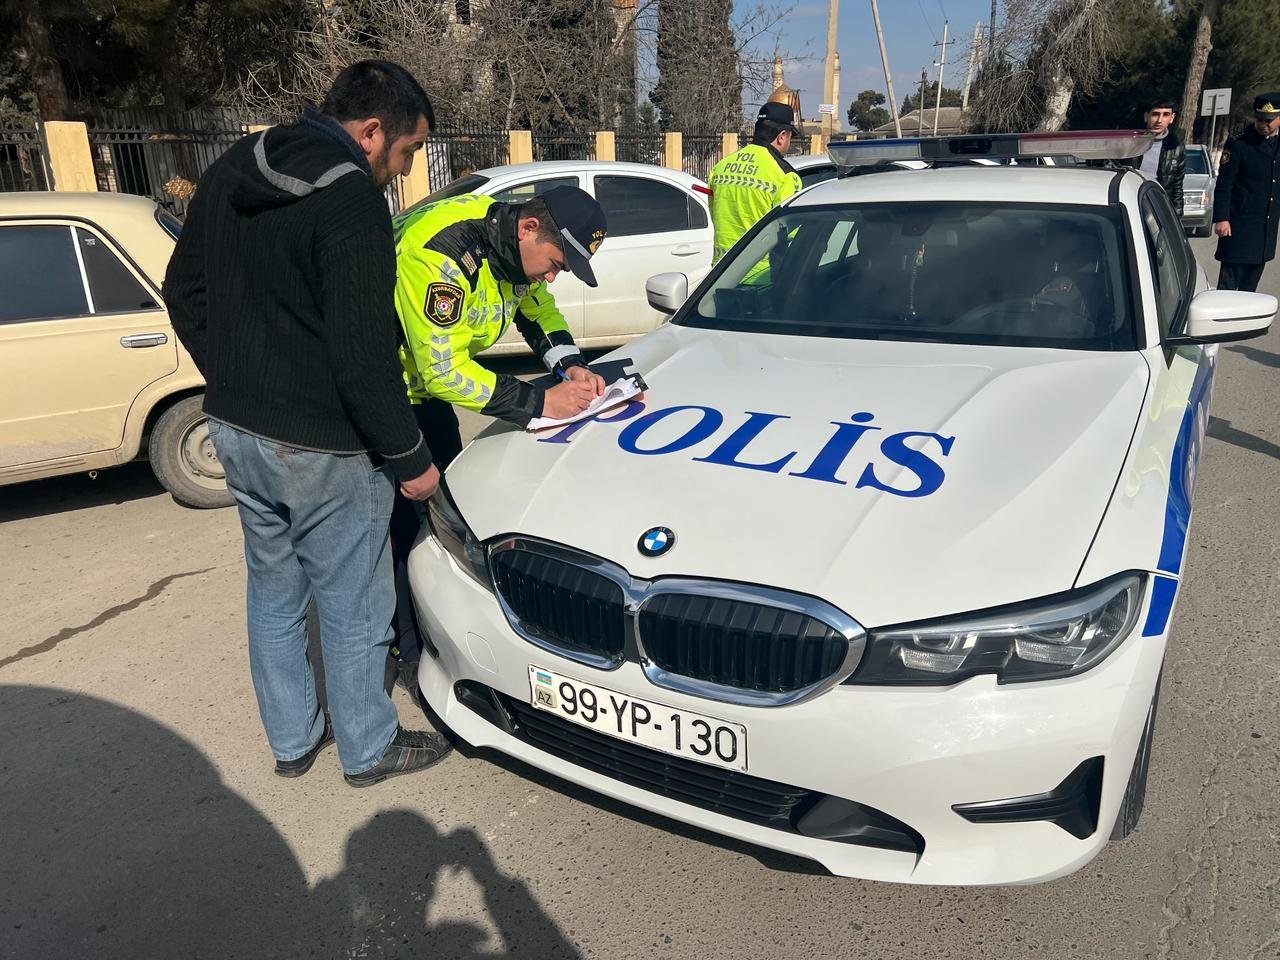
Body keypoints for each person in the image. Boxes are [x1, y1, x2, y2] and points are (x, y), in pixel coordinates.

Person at [163, 60, 453, 788]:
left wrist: (234, 378)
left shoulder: (234, 164)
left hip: (235, 425)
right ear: (373, 130)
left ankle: (292, 740)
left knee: (273, 590)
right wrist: (411, 456)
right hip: (324, 445)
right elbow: (363, 359)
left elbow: (182, 288)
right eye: (409, 151)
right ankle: (367, 747)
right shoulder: (352, 198)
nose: (406, 168)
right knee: (355, 602)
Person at [386, 186, 608, 679]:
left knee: (448, 517)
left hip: (426, 394)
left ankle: (438, 620)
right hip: (386, 398)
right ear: (529, 229)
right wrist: (538, 401)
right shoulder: (444, 252)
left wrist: (570, 366)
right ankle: (405, 645)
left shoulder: (516, 247)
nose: (552, 275)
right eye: (554, 262)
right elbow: (442, 369)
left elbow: (538, 311)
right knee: (401, 531)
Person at [707, 101, 804, 263]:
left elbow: (715, 213)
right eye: (790, 137)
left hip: (721, 274)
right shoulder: (785, 175)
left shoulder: (720, 167)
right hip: (761, 277)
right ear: (781, 137)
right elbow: (791, 233)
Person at [1212, 92, 1280, 292]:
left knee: (1250, 287)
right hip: (1239, 225)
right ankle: (1224, 321)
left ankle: (1245, 322)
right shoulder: (1239, 143)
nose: (1263, 124)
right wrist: (1222, 217)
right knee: (1229, 285)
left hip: (1265, 226)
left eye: (1269, 120)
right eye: (1259, 119)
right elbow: (1225, 183)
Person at [1123, 97, 1185, 215]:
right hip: (1132, 202)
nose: (1159, 120)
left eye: (1166, 115)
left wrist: (1177, 215)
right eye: (1155, 114)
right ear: (1146, 117)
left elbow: (1177, 185)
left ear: (1172, 118)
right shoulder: (1131, 142)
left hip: (1160, 206)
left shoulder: (1176, 147)